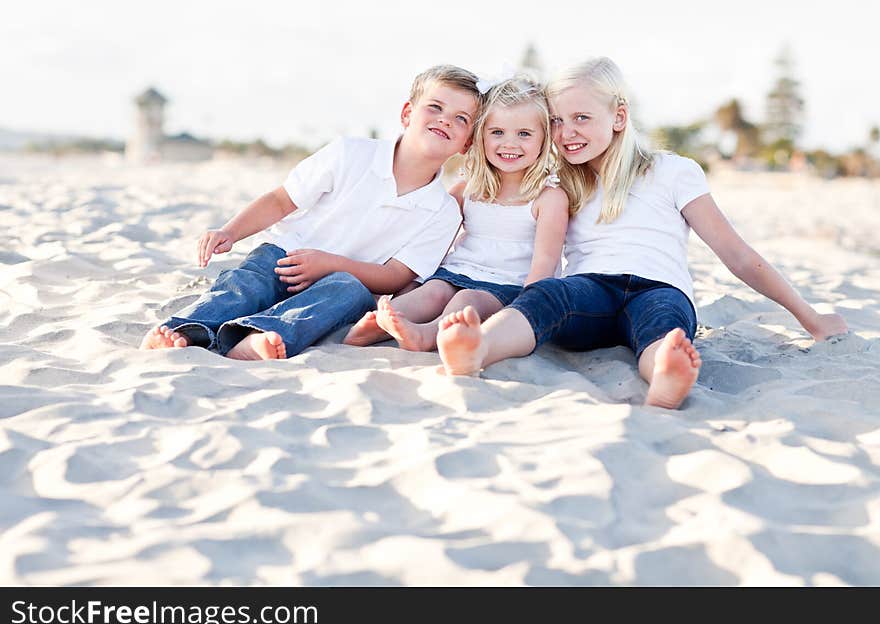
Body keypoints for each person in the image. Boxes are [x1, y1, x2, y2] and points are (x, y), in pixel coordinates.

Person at [435, 57, 848, 409]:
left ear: (619, 116)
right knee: (548, 296)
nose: (566, 133)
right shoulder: (560, 183)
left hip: (658, 287)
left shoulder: (673, 171)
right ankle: (477, 348)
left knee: (665, 327)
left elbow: (736, 254)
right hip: (590, 292)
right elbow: (493, 185)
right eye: (557, 121)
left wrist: (810, 319)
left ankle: (664, 375)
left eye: (582, 118)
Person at [140, 65, 482, 360]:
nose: (444, 120)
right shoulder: (351, 153)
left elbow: (396, 276)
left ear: (466, 143)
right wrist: (231, 231)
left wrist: (332, 264)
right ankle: (183, 331)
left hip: (344, 281)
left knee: (347, 293)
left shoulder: (443, 211)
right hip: (284, 258)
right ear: (407, 113)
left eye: (460, 118)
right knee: (245, 286)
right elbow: (281, 200)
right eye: (434, 107)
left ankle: (257, 339)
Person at [343, 76, 569, 352]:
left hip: (507, 286)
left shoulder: (548, 197)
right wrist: (407, 288)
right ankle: (378, 324)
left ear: (544, 140)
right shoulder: (466, 190)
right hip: (456, 272)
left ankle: (426, 335)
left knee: (466, 301)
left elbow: (545, 264)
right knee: (432, 293)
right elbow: (431, 244)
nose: (509, 144)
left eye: (524, 134)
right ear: (480, 137)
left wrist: (524, 311)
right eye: (497, 132)